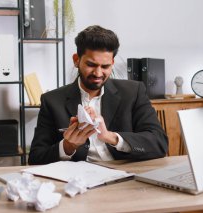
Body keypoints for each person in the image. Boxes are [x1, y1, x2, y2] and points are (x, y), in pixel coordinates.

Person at [28, 25, 168, 165]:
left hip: (126, 175)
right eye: (91, 65)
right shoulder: (52, 100)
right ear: (76, 60)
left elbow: (159, 143)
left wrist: (110, 137)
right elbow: (36, 158)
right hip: (78, 179)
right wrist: (68, 146)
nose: (98, 73)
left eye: (105, 66)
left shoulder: (133, 92)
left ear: (112, 62)